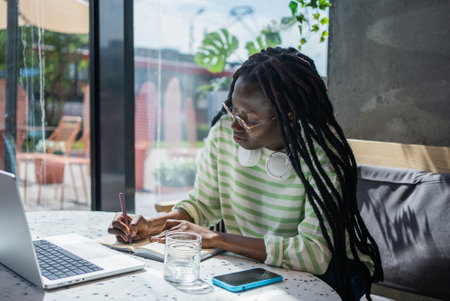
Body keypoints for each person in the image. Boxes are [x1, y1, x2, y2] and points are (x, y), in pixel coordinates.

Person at [108, 47, 383, 300]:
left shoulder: (319, 151)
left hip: (329, 274)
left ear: (289, 117)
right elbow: (204, 204)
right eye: (232, 110)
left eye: (248, 119)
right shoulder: (223, 137)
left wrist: (217, 239)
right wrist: (154, 224)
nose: (234, 126)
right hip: (256, 265)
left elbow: (313, 254)